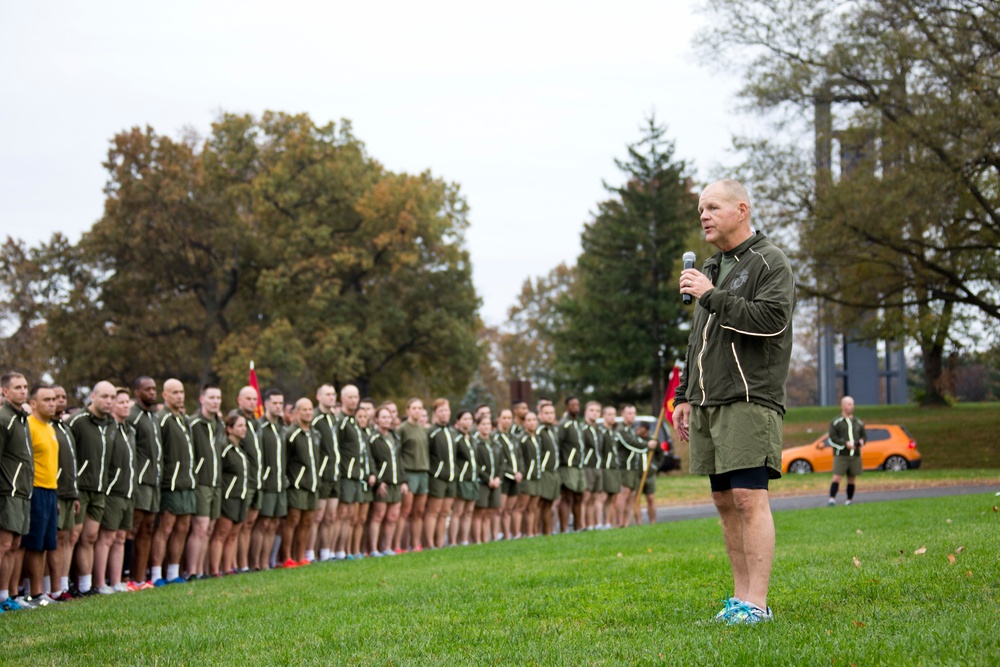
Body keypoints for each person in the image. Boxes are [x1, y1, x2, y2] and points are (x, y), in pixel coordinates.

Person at [673, 179, 795, 625]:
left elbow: (771, 321)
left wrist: (711, 294)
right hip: (708, 400)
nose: (703, 215)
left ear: (741, 210)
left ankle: (758, 605)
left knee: (748, 497)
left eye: (713, 207)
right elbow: (698, 340)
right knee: (725, 501)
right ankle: (740, 598)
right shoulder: (712, 267)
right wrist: (684, 395)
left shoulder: (770, 262)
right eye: (700, 208)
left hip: (749, 397)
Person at [68, 380, 116, 596]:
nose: (109, 401)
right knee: (72, 536)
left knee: (90, 536)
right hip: (80, 488)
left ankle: (87, 587)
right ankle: (62, 587)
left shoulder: (112, 423)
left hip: (100, 489)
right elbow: (68, 456)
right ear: (93, 397)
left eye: (112, 397)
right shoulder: (77, 421)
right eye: (105, 396)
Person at [151, 378, 196, 586]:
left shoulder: (184, 419)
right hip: (170, 483)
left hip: (187, 483)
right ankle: (156, 574)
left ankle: (173, 572)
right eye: (175, 392)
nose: (179, 395)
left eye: (181, 391)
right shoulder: (162, 419)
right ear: (165, 395)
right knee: (166, 528)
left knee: (183, 527)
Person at [95, 387, 137, 594]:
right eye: (120, 402)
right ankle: (100, 582)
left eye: (126, 401)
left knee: (121, 537)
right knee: (107, 537)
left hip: (128, 492)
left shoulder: (129, 429)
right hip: (112, 492)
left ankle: (116, 580)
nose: (124, 405)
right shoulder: (108, 429)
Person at [23, 385, 60, 605]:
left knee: (46, 543)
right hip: (35, 490)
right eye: (47, 399)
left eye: (54, 399)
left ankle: (41, 591)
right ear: (34, 403)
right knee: (34, 544)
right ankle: (34, 592)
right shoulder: (29, 426)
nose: (52, 403)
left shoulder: (50, 428)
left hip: (50, 490)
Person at [0, 372, 33, 611]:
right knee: (4, 543)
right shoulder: (4, 418)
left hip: (22, 491)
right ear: (5, 392)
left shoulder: (22, 419)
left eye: (25, 387)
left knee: (15, 544)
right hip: (7, 490)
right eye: (18, 387)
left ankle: (5, 597)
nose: (23, 391)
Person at [187, 384, 224, 580]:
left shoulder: (219, 424)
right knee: (200, 527)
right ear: (202, 399)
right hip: (201, 481)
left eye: (218, 398)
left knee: (209, 528)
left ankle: (202, 570)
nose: (215, 401)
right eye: (211, 398)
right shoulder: (193, 423)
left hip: (216, 481)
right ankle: (192, 571)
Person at [127, 376, 160, 589]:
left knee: (148, 528)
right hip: (139, 481)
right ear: (137, 392)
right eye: (147, 389)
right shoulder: (133, 416)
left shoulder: (153, 416)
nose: (152, 392)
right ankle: (125, 577)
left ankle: (141, 579)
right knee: (133, 527)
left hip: (154, 482)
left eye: (154, 389)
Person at [335, 385, 374, 560]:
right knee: (342, 514)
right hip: (346, 475)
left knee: (352, 516)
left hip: (358, 475)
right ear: (342, 399)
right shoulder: (341, 421)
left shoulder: (354, 422)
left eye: (356, 397)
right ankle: (335, 551)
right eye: (350, 397)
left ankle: (348, 550)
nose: (353, 400)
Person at [280, 398, 319, 567]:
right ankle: (287, 557)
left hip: (312, 484)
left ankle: (300, 556)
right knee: (293, 520)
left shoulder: (315, 434)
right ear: (296, 412)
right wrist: (289, 480)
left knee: (307, 521)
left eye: (310, 409)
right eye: (304, 409)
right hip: (296, 485)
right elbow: (285, 460)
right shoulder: (291, 434)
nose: (308, 412)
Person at [211, 411, 249, 576]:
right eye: (240, 426)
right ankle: (214, 570)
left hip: (241, 495)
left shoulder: (240, 449)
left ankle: (228, 568)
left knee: (233, 534)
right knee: (222, 533)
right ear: (229, 429)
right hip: (228, 496)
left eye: (245, 426)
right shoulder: (224, 447)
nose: (244, 429)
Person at [51, 385, 80, 600]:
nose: (60, 401)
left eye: (62, 397)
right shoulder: (46, 426)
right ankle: (49, 587)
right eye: (54, 398)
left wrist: (75, 493)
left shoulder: (65, 427)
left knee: (68, 538)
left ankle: (62, 585)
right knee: (55, 538)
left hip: (70, 492)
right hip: (53, 491)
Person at [253, 389, 286, 570]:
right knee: (263, 523)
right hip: (266, 483)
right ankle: (255, 562)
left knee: (274, 523)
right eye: (274, 403)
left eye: (281, 403)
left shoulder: (282, 428)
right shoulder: (260, 426)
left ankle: (267, 562)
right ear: (266, 404)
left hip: (280, 483)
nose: (278, 406)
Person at [368, 406, 407, 556]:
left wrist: (403, 481)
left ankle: (388, 547)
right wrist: (378, 480)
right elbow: (370, 460)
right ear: (376, 420)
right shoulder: (373, 438)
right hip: (383, 482)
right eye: (383, 417)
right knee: (378, 515)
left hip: (396, 482)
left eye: (388, 417)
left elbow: (399, 460)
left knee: (393, 517)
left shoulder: (395, 437)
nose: (386, 420)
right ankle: (373, 549)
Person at [310, 384, 340, 562]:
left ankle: (326, 551)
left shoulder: (334, 418)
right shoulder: (315, 418)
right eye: (327, 394)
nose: (331, 397)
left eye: (333, 394)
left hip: (335, 473)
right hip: (322, 474)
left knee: (331, 516)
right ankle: (310, 553)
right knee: (317, 516)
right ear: (318, 397)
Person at [396, 398, 430, 553]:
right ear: (408, 410)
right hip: (409, 473)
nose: (417, 411)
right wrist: (402, 478)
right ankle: (397, 545)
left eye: (420, 408)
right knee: (405, 510)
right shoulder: (402, 429)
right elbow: (397, 454)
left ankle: (415, 544)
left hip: (423, 472)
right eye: (414, 408)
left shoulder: (423, 429)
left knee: (419, 511)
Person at [234, 386, 262, 572]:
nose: (252, 402)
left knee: (251, 523)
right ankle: (239, 564)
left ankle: (252, 562)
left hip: (257, 479)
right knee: (239, 524)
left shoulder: (257, 423)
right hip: (242, 481)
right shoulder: (236, 420)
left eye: (254, 399)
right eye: (248, 399)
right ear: (240, 400)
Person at [424, 399, 456, 549]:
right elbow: (427, 454)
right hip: (437, 477)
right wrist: (434, 472)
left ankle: (440, 542)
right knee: (433, 511)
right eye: (441, 411)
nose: (444, 413)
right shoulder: (431, 432)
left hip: (451, 477)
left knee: (445, 512)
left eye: (446, 410)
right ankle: (430, 544)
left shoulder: (452, 432)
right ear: (435, 413)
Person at [827, 396, 866, 506]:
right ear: (843, 406)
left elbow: (864, 436)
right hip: (841, 455)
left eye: (852, 404)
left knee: (852, 478)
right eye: (849, 404)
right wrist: (845, 445)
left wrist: (862, 441)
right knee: (837, 477)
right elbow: (832, 439)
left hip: (855, 455)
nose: (851, 407)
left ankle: (849, 500)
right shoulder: (836, 422)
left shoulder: (858, 422)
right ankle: (832, 499)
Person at [494, 408, 523, 540]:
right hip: (504, 478)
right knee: (500, 509)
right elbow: (499, 461)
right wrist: (512, 472)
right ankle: (499, 534)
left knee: (509, 510)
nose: (507, 421)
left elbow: (520, 457)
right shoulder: (496, 438)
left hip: (515, 478)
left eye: (509, 418)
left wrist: (520, 471)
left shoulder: (514, 438)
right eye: (504, 418)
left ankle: (509, 535)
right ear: (499, 419)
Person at [450, 410, 478, 546]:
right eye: (464, 419)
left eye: (470, 419)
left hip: (472, 479)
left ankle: (464, 540)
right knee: (458, 511)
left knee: (469, 511)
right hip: (462, 479)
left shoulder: (473, 438)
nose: (467, 421)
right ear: (458, 421)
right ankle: (453, 541)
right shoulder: (456, 438)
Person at [558, 397, 585, 533]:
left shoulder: (578, 423)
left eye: (577, 404)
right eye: (572, 405)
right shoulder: (564, 424)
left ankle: (578, 526)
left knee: (579, 496)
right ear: (567, 406)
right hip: (568, 465)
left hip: (579, 465)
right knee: (567, 496)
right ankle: (564, 528)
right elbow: (559, 443)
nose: (576, 407)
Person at [472, 414, 500, 544]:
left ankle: (486, 539)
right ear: (477, 426)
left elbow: (501, 462)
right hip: (482, 482)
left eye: (488, 424)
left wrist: (498, 477)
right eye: (483, 424)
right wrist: (487, 478)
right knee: (480, 512)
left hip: (495, 481)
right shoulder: (475, 443)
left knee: (489, 512)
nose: (486, 427)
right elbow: (475, 464)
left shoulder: (495, 442)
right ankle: (478, 540)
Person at [536, 402, 561, 537]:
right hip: (544, 471)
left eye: (552, 413)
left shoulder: (554, 431)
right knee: (541, 502)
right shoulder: (540, 432)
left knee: (550, 503)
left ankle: (548, 531)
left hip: (554, 471)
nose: (550, 416)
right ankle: (539, 532)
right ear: (540, 415)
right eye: (546, 413)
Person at [518, 412, 543, 538]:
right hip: (527, 477)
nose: (532, 422)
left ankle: (532, 532)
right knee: (522, 507)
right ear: (524, 422)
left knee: (533, 507)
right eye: (529, 420)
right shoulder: (522, 438)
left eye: (534, 419)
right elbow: (520, 457)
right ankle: (521, 533)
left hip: (537, 476)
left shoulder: (538, 438)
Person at [581, 401, 603, 530]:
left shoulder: (598, 430)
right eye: (592, 410)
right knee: (586, 496)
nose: (594, 413)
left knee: (595, 496)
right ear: (586, 412)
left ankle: (594, 524)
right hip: (587, 465)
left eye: (597, 411)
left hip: (597, 465)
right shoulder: (583, 429)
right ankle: (583, 524)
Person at [598, 406, 621, 530]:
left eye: (614, 414)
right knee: (604, 496)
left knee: (612, 496)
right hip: (605, 467)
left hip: (614, 467)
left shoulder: (613, 431)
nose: (612, 417)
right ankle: (599, 521)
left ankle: (607, 522)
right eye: (609, 414)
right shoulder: (602, 432)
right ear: (604, 416)